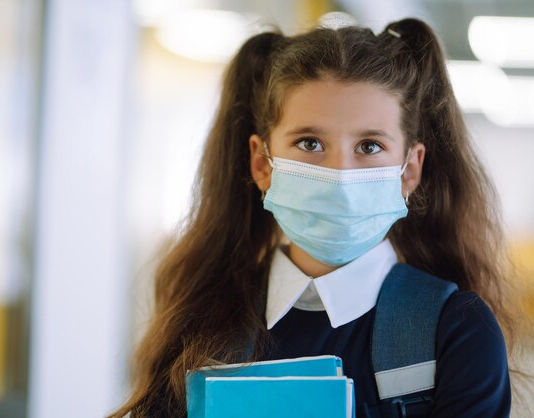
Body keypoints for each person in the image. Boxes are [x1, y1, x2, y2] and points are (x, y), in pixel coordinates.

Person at [111, 17, 516, 417]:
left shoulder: (457, 331)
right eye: (309, 143)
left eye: (370, 146)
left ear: (409, 169)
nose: (339, 174)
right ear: (261, 162)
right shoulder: (201, 323)